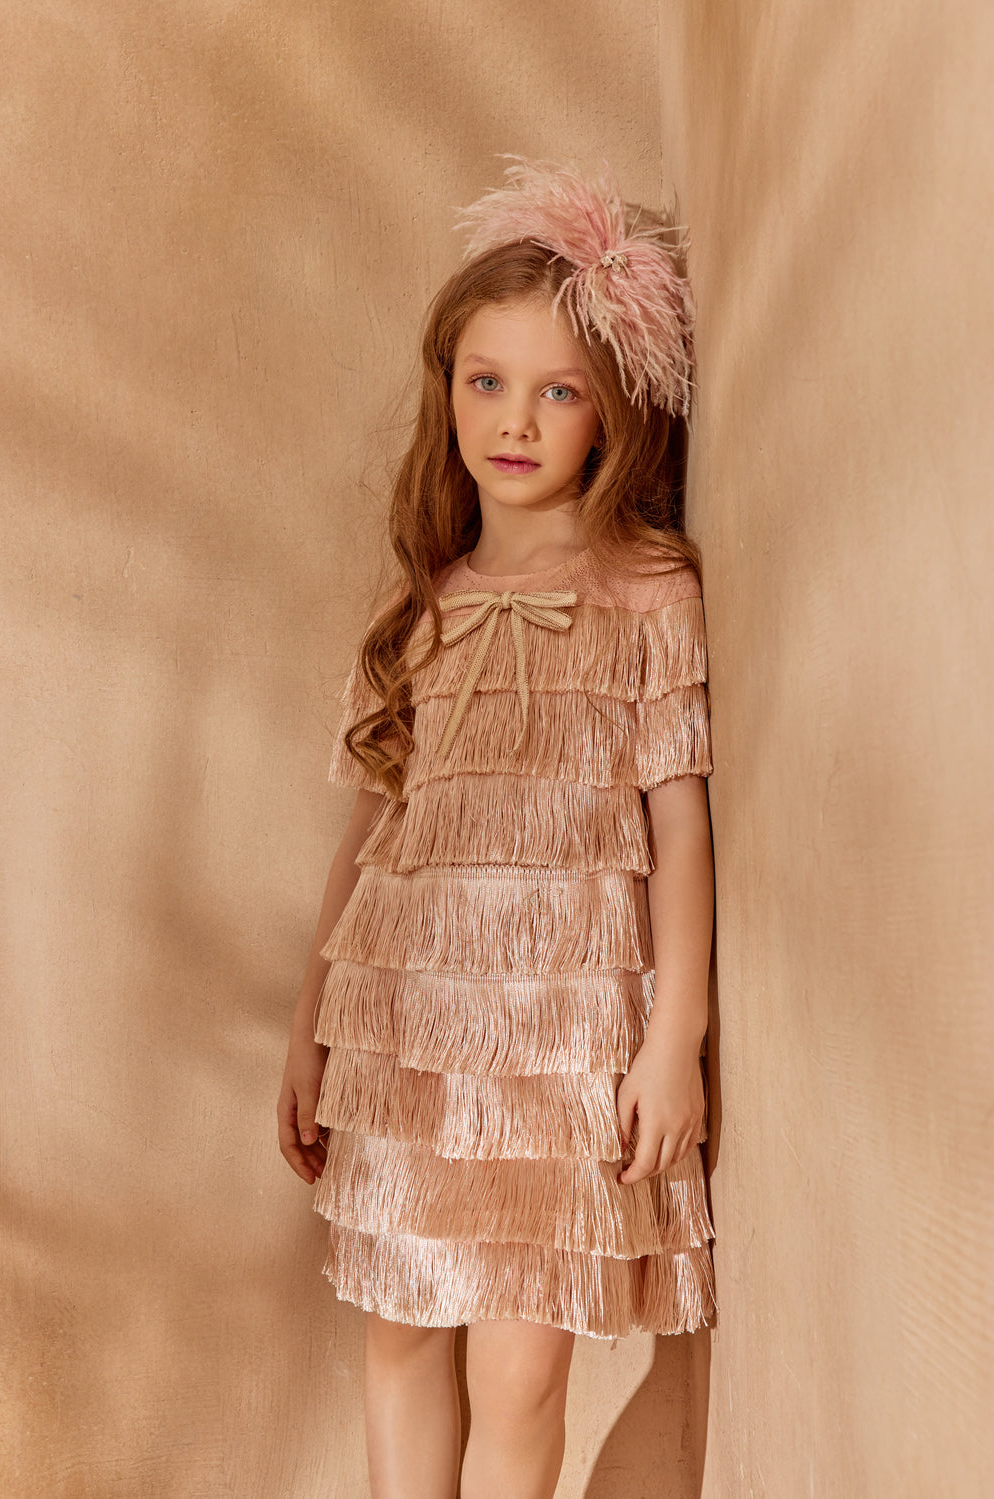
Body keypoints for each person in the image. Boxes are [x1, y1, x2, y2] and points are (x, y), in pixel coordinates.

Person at [277, 156, 718, 1499]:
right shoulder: (424, 602)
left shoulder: (647, 590)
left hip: (563, 1038)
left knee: (522, 1365)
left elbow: (679, 821)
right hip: (409, 1031)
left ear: (613, 412)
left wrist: (675, 1039)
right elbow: (371, 833)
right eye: (486, 382)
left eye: (557, 390)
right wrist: (311, 1027)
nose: (514, 420)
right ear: (448, 390)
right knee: (404, 1328)